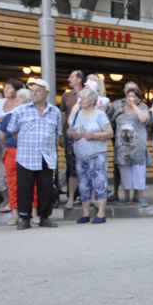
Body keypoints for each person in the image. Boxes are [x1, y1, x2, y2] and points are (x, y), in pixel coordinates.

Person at [6, 79, 64, 229]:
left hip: (47, 155)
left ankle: (44, 217)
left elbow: (58, 133)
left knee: (46, 189)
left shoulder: (55, 111)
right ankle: (24, 218)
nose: (34, 93)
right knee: (25, 188)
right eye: (32, 90)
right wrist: (24, 141)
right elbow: (12, 130)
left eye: (38, 90)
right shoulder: (20, 110)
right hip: (26, 155)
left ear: (47, 93)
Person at [68, 87, 113, 224]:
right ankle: (85, 213)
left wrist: (94, 135)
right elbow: (69, 130)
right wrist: (72, 134)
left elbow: (109, 133)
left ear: (93, 100)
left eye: (84, 98)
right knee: (83, 184)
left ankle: (100, 213)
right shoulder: (76, 114)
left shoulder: (99, 115)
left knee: (99, 182)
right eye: (80, 98)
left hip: (96, 154)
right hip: (81, 155)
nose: (81, 100)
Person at [0, 88, 39, 226]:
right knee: (13, 184)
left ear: (28, 102)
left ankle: (33, 214)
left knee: (32, 184)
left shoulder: (33, 116)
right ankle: (15, 215)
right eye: (16, 97)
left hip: (29, 152)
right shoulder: (8, 117)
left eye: (20, 97)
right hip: (12, 152)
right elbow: (2, 137)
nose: (16, 99)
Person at [0, 78, 24, 213]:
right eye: (5, 87)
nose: (5, 90)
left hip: (12, 143)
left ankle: (14, 201)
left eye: (9, 88)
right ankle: (6, 198)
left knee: (12, 174)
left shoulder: (21, 102)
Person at [112, 85, 151, 206]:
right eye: (128, 96)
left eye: (133, 97)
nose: (130, 99)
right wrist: (116, 113)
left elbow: (144, 120)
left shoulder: (142, 109)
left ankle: (140, 197)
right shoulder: (121, 110)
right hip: (122, 146)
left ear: (139, 99)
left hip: (137, 146)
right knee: (124, 172)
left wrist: (134, 105)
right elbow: (112, 122)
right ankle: (127, 197)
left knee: (138, 171)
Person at [106, 80, 140, 202]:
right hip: (119, 140)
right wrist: (116, 114)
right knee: (118, 166)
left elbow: (148, 122)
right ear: (125, 90)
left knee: (136, 166)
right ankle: (116, 192)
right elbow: (107, 121)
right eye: (129, 90)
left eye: (134, 90)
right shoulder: (116, 104)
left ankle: (136, 194)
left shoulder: (141, 105)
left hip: (136, 140)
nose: (131, 93)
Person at [60, 70, 84, 209]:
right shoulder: (66, 95)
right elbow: (63, 116)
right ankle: (71, 197)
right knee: (72, 167)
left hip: (87, 135)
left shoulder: (89, 93)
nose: (69, 79)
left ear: (79, 79)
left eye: (72, 77)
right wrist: (62, 134)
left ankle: (86, 196)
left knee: (87, 167)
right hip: (71, 135)